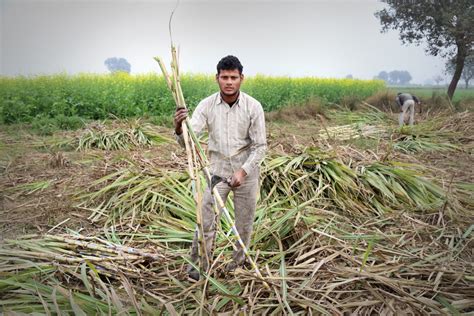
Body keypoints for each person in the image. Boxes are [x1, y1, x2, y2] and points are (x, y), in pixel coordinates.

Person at [174, 55, 267, 281]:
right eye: (224, 77)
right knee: (205, 222)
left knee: (244, 224)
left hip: (246, 174)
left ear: (241, 79)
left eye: (233, 77)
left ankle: (237, 266)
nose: (229, 82)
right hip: (216, 172)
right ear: (217, 78)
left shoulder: (253, 107)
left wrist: (243, 172)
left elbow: (260, 147)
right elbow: (187, 140)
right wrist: (178, 126)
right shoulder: (206, 106)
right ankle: (198, 269)